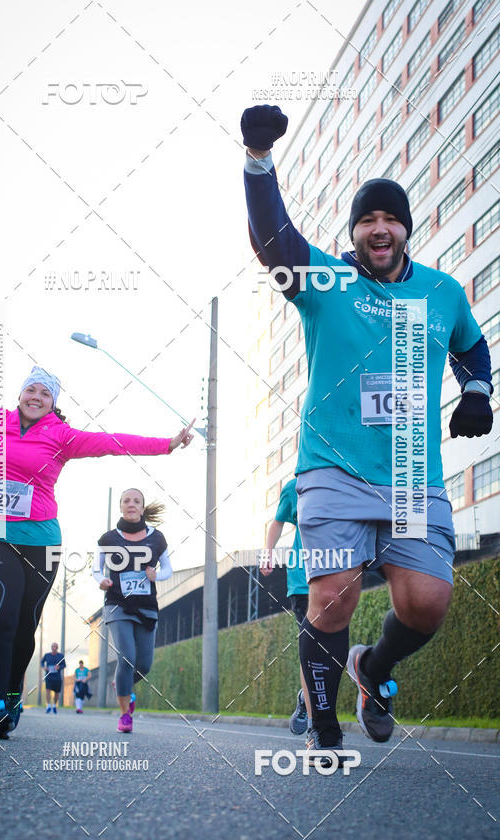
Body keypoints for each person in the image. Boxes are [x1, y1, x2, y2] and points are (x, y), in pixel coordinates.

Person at [241, 105, 493, 761]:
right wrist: (259, 161)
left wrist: (477, 391)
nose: (379, 229)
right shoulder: (327, 280)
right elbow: (273, 239)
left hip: (413, 472)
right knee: (331, 594)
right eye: (367, 219)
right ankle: (326, 729)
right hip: (333, 467)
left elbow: (471, 346)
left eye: (390, 218)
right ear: (354, 231)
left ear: (404, 228)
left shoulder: (442, 293)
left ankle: (373, 670)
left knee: (428, 605)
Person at [0, 312, 194, 739]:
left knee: (24, 627)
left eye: (43, 392)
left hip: (42, 542)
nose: (34, 396)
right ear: (20, 395)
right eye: (29, 389)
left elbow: (114, 442)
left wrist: (167, 445)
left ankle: (14, 692)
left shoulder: (64, 436)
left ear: (52, 402)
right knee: (2, 614)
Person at [93, 488, 173, 733]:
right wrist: (101, 580)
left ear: (142, 507)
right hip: (117, 603)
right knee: (126, 657)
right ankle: (125, 715)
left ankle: (123, 685)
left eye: (136, 501)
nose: (131, 504)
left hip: (147, 605)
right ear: (121, 506)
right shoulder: (108, 539)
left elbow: (168, 568)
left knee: (144, 665)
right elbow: (96, 569)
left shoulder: (156, 538)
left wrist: (156, 575)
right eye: (127, 500)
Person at [260, 478, 309, 735]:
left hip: (339, 573)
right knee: (311, 647)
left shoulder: (347, 476)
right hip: (304, 580)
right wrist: (268, 551)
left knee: (334, 653)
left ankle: (305, 697)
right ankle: (318, 721)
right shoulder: (295, 486)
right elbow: (278, 520)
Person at [41, 643, 65, 713]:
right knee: (48, 691)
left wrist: (59, 667)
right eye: (53, 646)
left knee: (56, 692)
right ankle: (48, 706)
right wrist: (44, 667)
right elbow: (42, 662)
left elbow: (64, 665)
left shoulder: (61, 656)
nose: (54, 648)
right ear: (51, 647)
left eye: (55, 647)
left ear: (57, 648)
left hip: (57, 677)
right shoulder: (47, 655)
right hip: (48, 676)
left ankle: (54, 705)